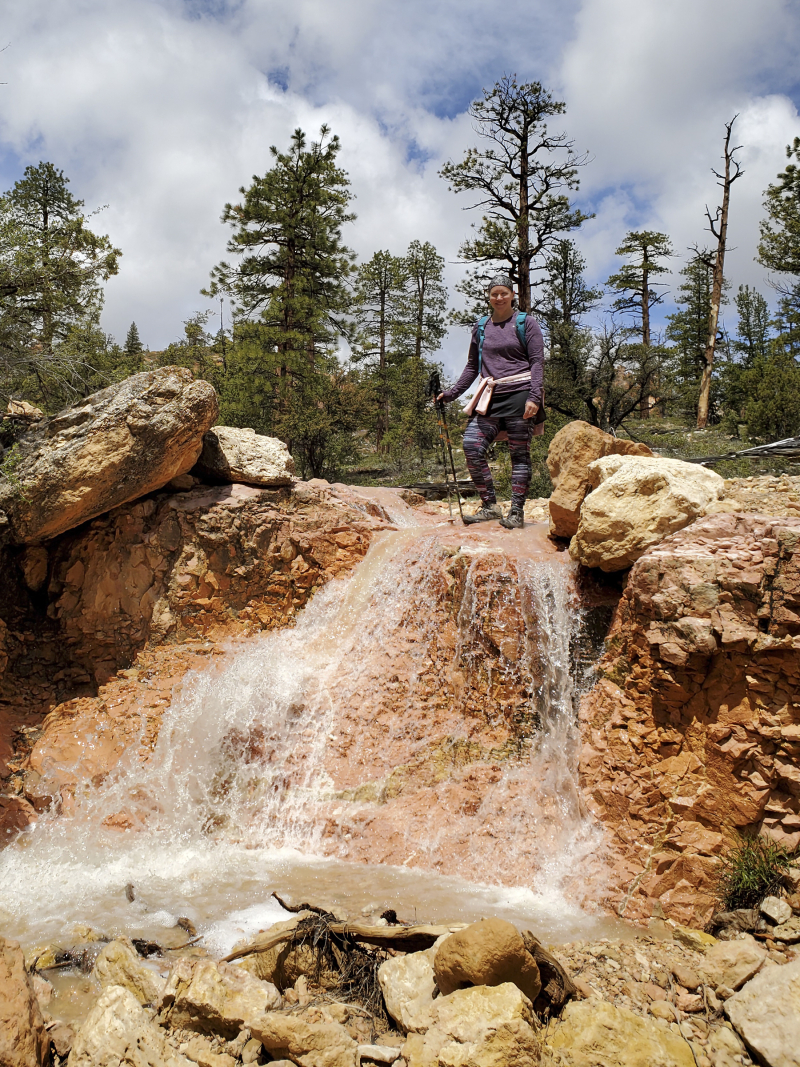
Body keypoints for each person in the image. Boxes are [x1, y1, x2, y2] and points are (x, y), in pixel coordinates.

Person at [437, 276, 545, 528]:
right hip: (490, 397)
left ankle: (516, 512)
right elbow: (473, 366)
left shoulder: (526, 323)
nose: (499, 298)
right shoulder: (481, 327)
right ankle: (490, 506)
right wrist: (451, 393)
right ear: (489, 296)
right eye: (494, 294)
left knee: (519, 455)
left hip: (521, 394)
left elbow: (538, 362)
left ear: (513, 295)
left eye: (503, 293)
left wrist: (534, 397)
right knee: (472, 446)